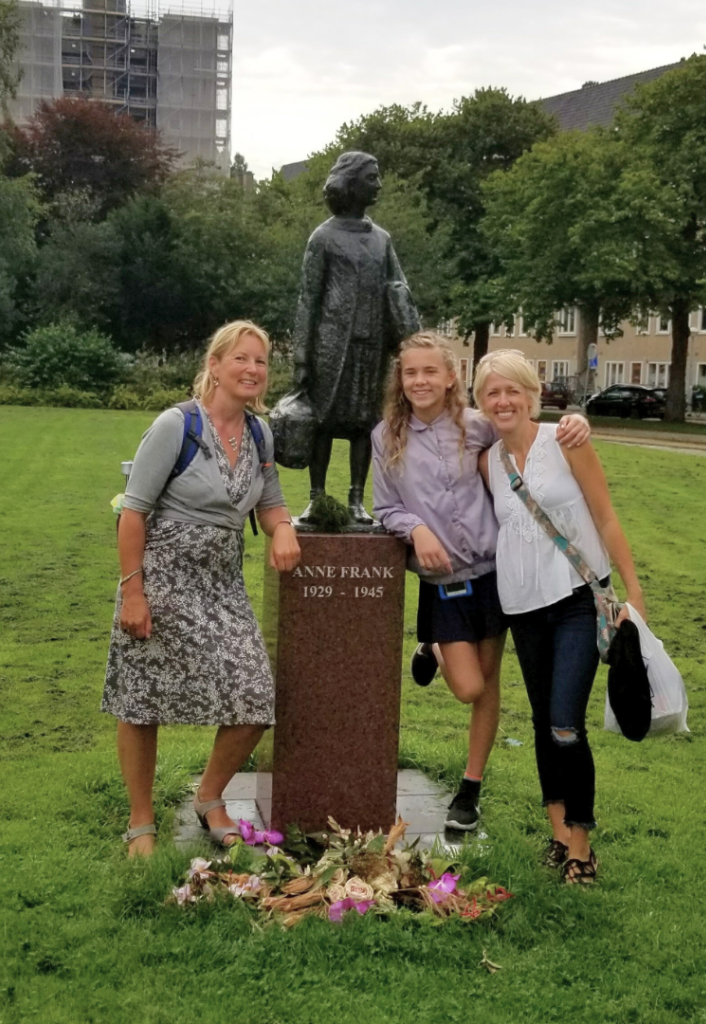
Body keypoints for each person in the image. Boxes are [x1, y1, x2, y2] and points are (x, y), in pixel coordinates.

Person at [371, 332, 590, 831]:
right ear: (400, 381)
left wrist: (575, 421)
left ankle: (470, 788)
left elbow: (529, 437)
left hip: (494, 575)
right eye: (410, 372)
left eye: (431, 371)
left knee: (488, 686)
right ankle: (435, 646)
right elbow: (385, 507)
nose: (420, 380)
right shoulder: (384, 436)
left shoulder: (478, 427)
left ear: (451, 377)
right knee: (467, 687)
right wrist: (416, 528)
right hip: (443, 583)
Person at [103, 321, 301, 857]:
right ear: (214, 365)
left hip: (221, 585)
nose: (253, 370)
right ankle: (141, 819)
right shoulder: (177, 425)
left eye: (261, 362)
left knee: (255, 694)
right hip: (160, 577)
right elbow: (133, 512)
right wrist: (134, 592)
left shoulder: (260, 433)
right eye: (242, 359)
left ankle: (209, 797)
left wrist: (282, 527)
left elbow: (272, 498)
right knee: (142, 699)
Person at [475, 350, 644, 883]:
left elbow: (606, 516)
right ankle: (555, 832)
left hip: (576, 599)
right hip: (522, 607)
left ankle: (581, 846)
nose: (503, 401)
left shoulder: (567, 441)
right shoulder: (489, 464)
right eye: (491, 393)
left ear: (532, 396)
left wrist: (633, 596)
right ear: (482, 403)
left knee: (566, 723)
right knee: (545, 721)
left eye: (512, 391)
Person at [291, 150, 420, 524]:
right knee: (324, 422)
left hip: (371, 347)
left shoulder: (382, 239)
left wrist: (408, 342)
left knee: (364, 423)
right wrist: (302, 357)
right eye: (371, 177)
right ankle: (317, 497)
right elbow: (308, 300)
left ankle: (355, 500)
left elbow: (400, 290)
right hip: (330, 349)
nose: (378, 184)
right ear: (350, 183)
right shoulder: (323, 237)